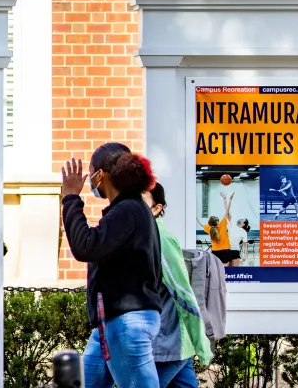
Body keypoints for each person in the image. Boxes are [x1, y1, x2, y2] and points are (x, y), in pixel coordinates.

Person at [60, 142, 168, 388]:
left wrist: (71, 198)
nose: (89, 180)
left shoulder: (128, 210)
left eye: (91, 172)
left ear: (102, 175)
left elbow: (85, 246)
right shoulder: (131, 210)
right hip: (113, 322)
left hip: (126, 323)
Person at [143, 183, 213, 388]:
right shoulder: (144, 235)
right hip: (173, 345)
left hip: (167, 346)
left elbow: (183, 294)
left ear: (157, 208)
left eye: (142, 200)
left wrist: (202, 346)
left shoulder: (159, 239)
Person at [196, 192, 240, 265]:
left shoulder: (209, 228)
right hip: (225, 250)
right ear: (217, 221)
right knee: (226, 269)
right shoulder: (222, 225)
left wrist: (196, 218)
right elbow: (227, 211)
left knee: (217, 269)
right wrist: (229, 200)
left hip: (215, 251)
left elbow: (201, 224)